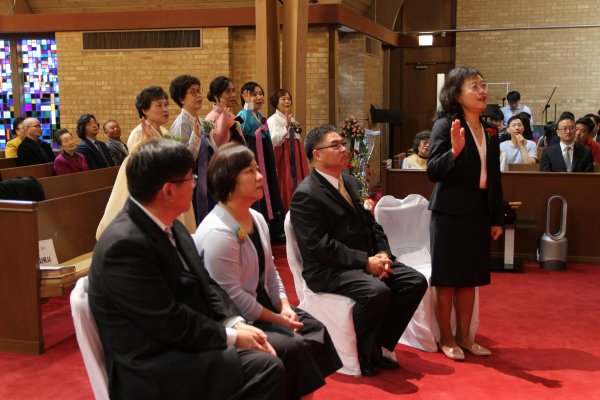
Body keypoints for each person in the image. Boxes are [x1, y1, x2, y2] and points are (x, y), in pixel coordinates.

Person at [89, 140, 286, 400]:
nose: (195, 185)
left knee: (286, 349)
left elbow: (207, 283)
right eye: (190, 179)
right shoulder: (125, 245)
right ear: (169, 191)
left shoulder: (170, 224)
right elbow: (167, 321)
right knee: (267, 366)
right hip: (153, 364)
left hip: (182, 341)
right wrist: (230, 336)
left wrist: (235, 322)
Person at [195, 143, 342, 399]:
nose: (260, 177)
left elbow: (271, 272)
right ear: (228, 181)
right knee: (295, 345)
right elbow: (232, 298)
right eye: (249, 172)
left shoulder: (257, 218)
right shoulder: (218, 232)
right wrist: (277, 319)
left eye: (257, 169)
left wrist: (284, 306)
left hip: (263, 304)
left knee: (316, 330)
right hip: (238, 318)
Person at [290, 124, 428, 377]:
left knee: (414, 281)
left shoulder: (353, 182)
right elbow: (319, 247)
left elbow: (372, 225)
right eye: (335, 145)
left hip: (364, 260)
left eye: (342, 143)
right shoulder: (306, 194)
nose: (344, 149)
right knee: (376, 291)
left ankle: (380, 344)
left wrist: (383, 254)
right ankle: (362, 354)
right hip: (328, 269)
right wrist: (365, 262)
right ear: (317, 154)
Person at [426, 67, 504, 361]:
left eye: (483, 85)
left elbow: (494, 177)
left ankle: (466, 338)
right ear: (457, 95)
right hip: (449, 213)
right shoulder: (445, 125)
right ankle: (447, 339)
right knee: (447, 280)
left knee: (469, 279)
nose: (482, 91)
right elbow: (433, 171)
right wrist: (454, 152)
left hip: (478, 212)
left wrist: (496, 217)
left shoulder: (491, 130)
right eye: (475, 86)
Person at [96, 86, 196, 239]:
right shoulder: (138, 133)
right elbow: (135, 163)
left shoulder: (165, 132)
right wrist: (143, 144)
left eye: (166, 104)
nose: (165, 109)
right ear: (144, 110)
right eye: (159, 105)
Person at [238, 82, 285, 243]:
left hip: (266, 158)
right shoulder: (242, 115)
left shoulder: (260, 117)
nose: (259, 97)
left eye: (260, 93)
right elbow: (242, 130)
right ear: (245, 96)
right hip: (255, 158)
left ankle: (274, 230)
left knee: (271, 189)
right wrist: (247, 106)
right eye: (254, 94)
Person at [170, 74, 216, 224]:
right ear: (181, 99)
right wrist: (195, 138)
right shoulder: (181, 124)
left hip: (207, 179)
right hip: (193, 183)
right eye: (193, 92)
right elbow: (182, 161)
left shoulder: (201, 121)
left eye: (199, 90)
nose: (199, 95)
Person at [267, 88, 310, 212]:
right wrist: (286, 126)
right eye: (283, 99)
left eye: (289, 99)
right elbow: (274, 140)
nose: (287, 101)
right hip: (284, 157)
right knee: (287, 184)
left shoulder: (291, 118)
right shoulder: (273, 120)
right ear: (276, 102)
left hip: (296, 155)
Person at [205, 76, 245, 147]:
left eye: (233, 90)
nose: (233, 95)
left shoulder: (231, 115)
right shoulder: (211, 118)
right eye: (228, 91)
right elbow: (214, 145)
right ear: (216, 96)